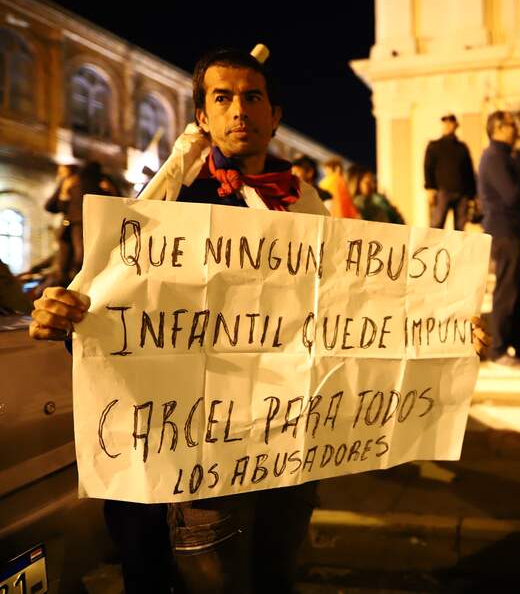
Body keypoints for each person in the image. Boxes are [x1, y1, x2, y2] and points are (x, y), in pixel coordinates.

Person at [30, 47, 331, 594]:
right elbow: (111, 318)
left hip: (280, 461)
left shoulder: (307, 207)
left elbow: (350, 312)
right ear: (203, 118)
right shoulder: (164, 207)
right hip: (187, 468)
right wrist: (67, 316)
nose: (240, 110)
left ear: (275, 116)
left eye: (253, 96)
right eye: (223, 98)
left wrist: (444, 331)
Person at [478, 110, 520, 369]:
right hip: (503, 231)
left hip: (512, 230)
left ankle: (518, 343)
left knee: (517, 288)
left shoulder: (505, 156)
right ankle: (499, 349)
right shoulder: (493, 157)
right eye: (511, 124)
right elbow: (512, 195)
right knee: (506, 290)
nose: (516, 128)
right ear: (498, 128)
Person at [44, 161, 114, 283]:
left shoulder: (80, 182)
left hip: (81, 224)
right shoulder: (69, 183)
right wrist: (64, 194)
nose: (59, 174)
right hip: (72, 227)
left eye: (62, 171)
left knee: (79, 259)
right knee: (68, 262)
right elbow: (53, 206)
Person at [424, 113, 477, 230]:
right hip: (442, 192)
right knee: (436, 226)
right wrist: (430, 189)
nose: (448, 125)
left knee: (460, 228)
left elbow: (469, 171)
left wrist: (473, 195)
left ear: (455, 125)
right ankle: (433, 248)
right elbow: (428, 168)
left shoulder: (462, 147)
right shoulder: (434, 146)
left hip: (462, 193)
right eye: (445, 123)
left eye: (450, 122)